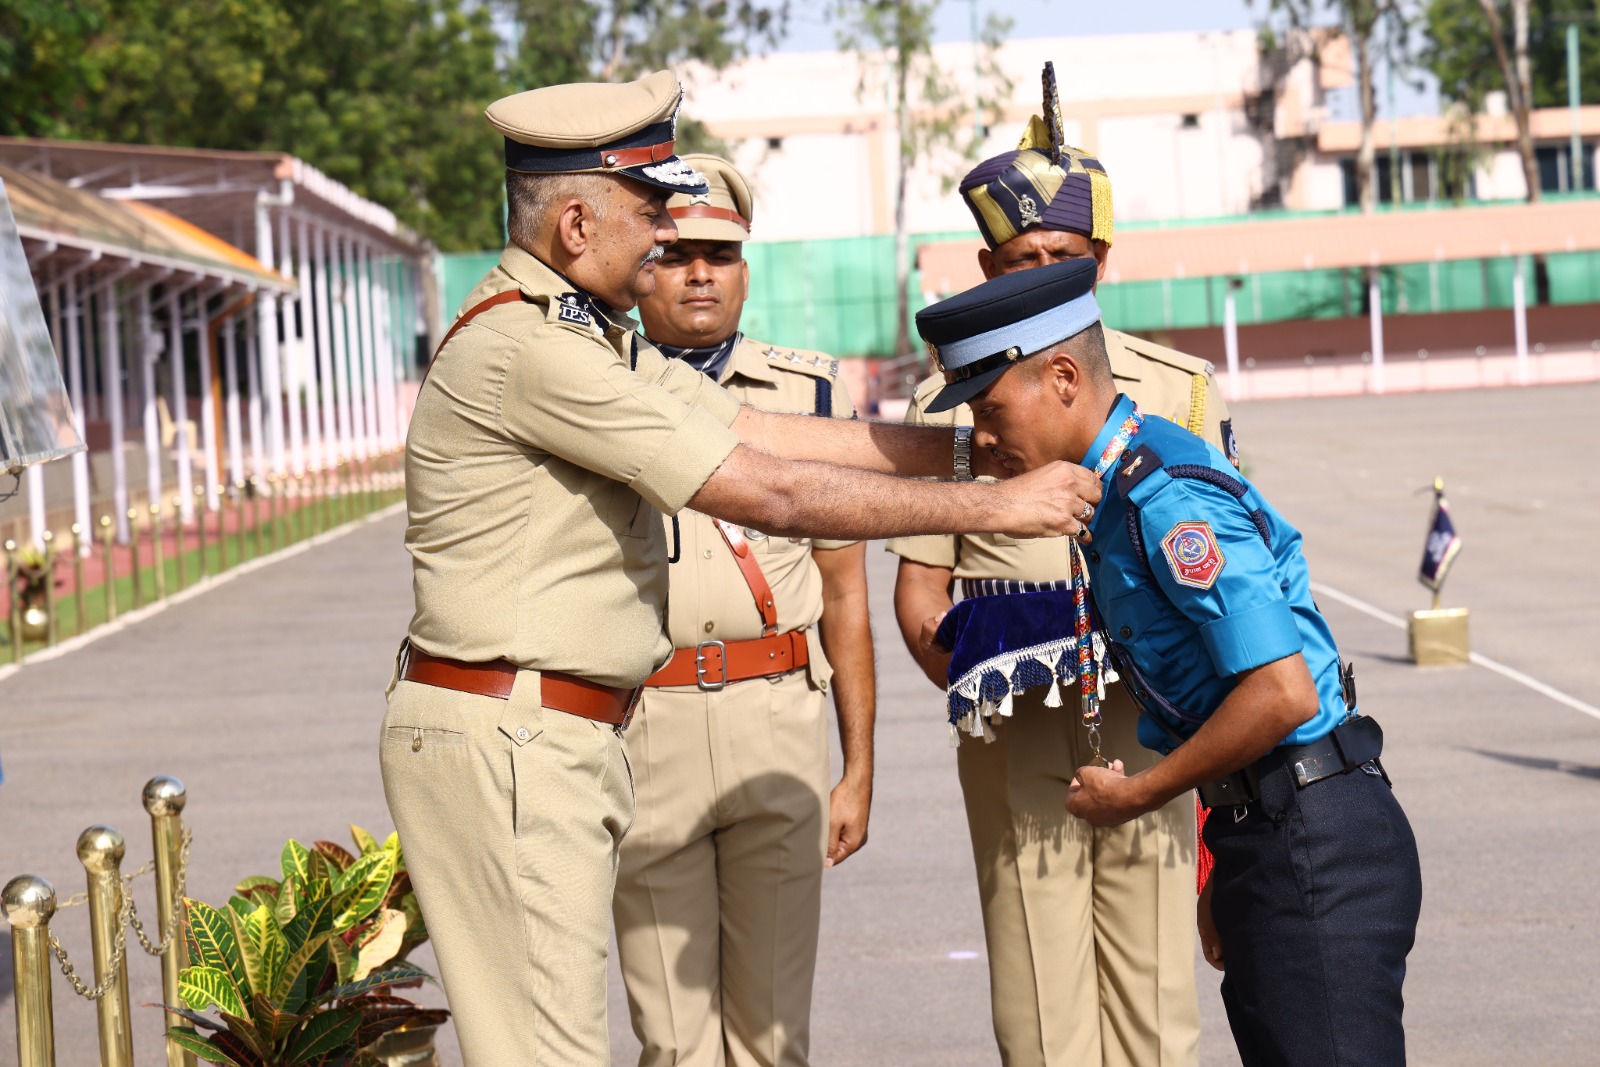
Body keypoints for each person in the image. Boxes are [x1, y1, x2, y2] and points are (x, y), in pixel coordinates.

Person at [380, 72, 1102, 1066]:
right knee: (550, 1051)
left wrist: (990, 452)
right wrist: (994, 502)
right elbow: (768, 491)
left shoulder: (579, 336)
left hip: (552, 729)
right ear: (578, 224)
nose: (663, 240)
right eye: (650, 212)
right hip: (516, 732)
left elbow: (769, 430)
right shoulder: (530, 351)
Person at [916, 256, 1424, 1067]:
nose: (981, 434)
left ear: (1062, 376)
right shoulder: (1114, 488)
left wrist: (1141, 793)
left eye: (990, 406)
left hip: (1314, 839)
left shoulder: (1164, 497)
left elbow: (1280, 692)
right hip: (1271, 825)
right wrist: (1228, 851)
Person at [888, 67, 1219, 1067]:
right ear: (987, 261)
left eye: (1062, 257)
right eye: (1019, 256)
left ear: (1099, 259)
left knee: (1156, 987)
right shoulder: (948, 407)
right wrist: (985, 685)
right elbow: (918, 595)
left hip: (1155, 719)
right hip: (1012, 723)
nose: (1039, 270)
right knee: (1040, 993)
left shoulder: (1178, 386)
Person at [613, 154, 874, 1067]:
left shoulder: (811, 394)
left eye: (718, 254)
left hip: (777, 722)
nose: (697, 273)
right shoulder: (592, 388)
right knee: (673, 1044)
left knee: (771, 1038)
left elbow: (846, 589)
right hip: (647, 725)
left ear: (744, 269)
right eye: (676, 252)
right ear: (641, 264)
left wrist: (858, 766)